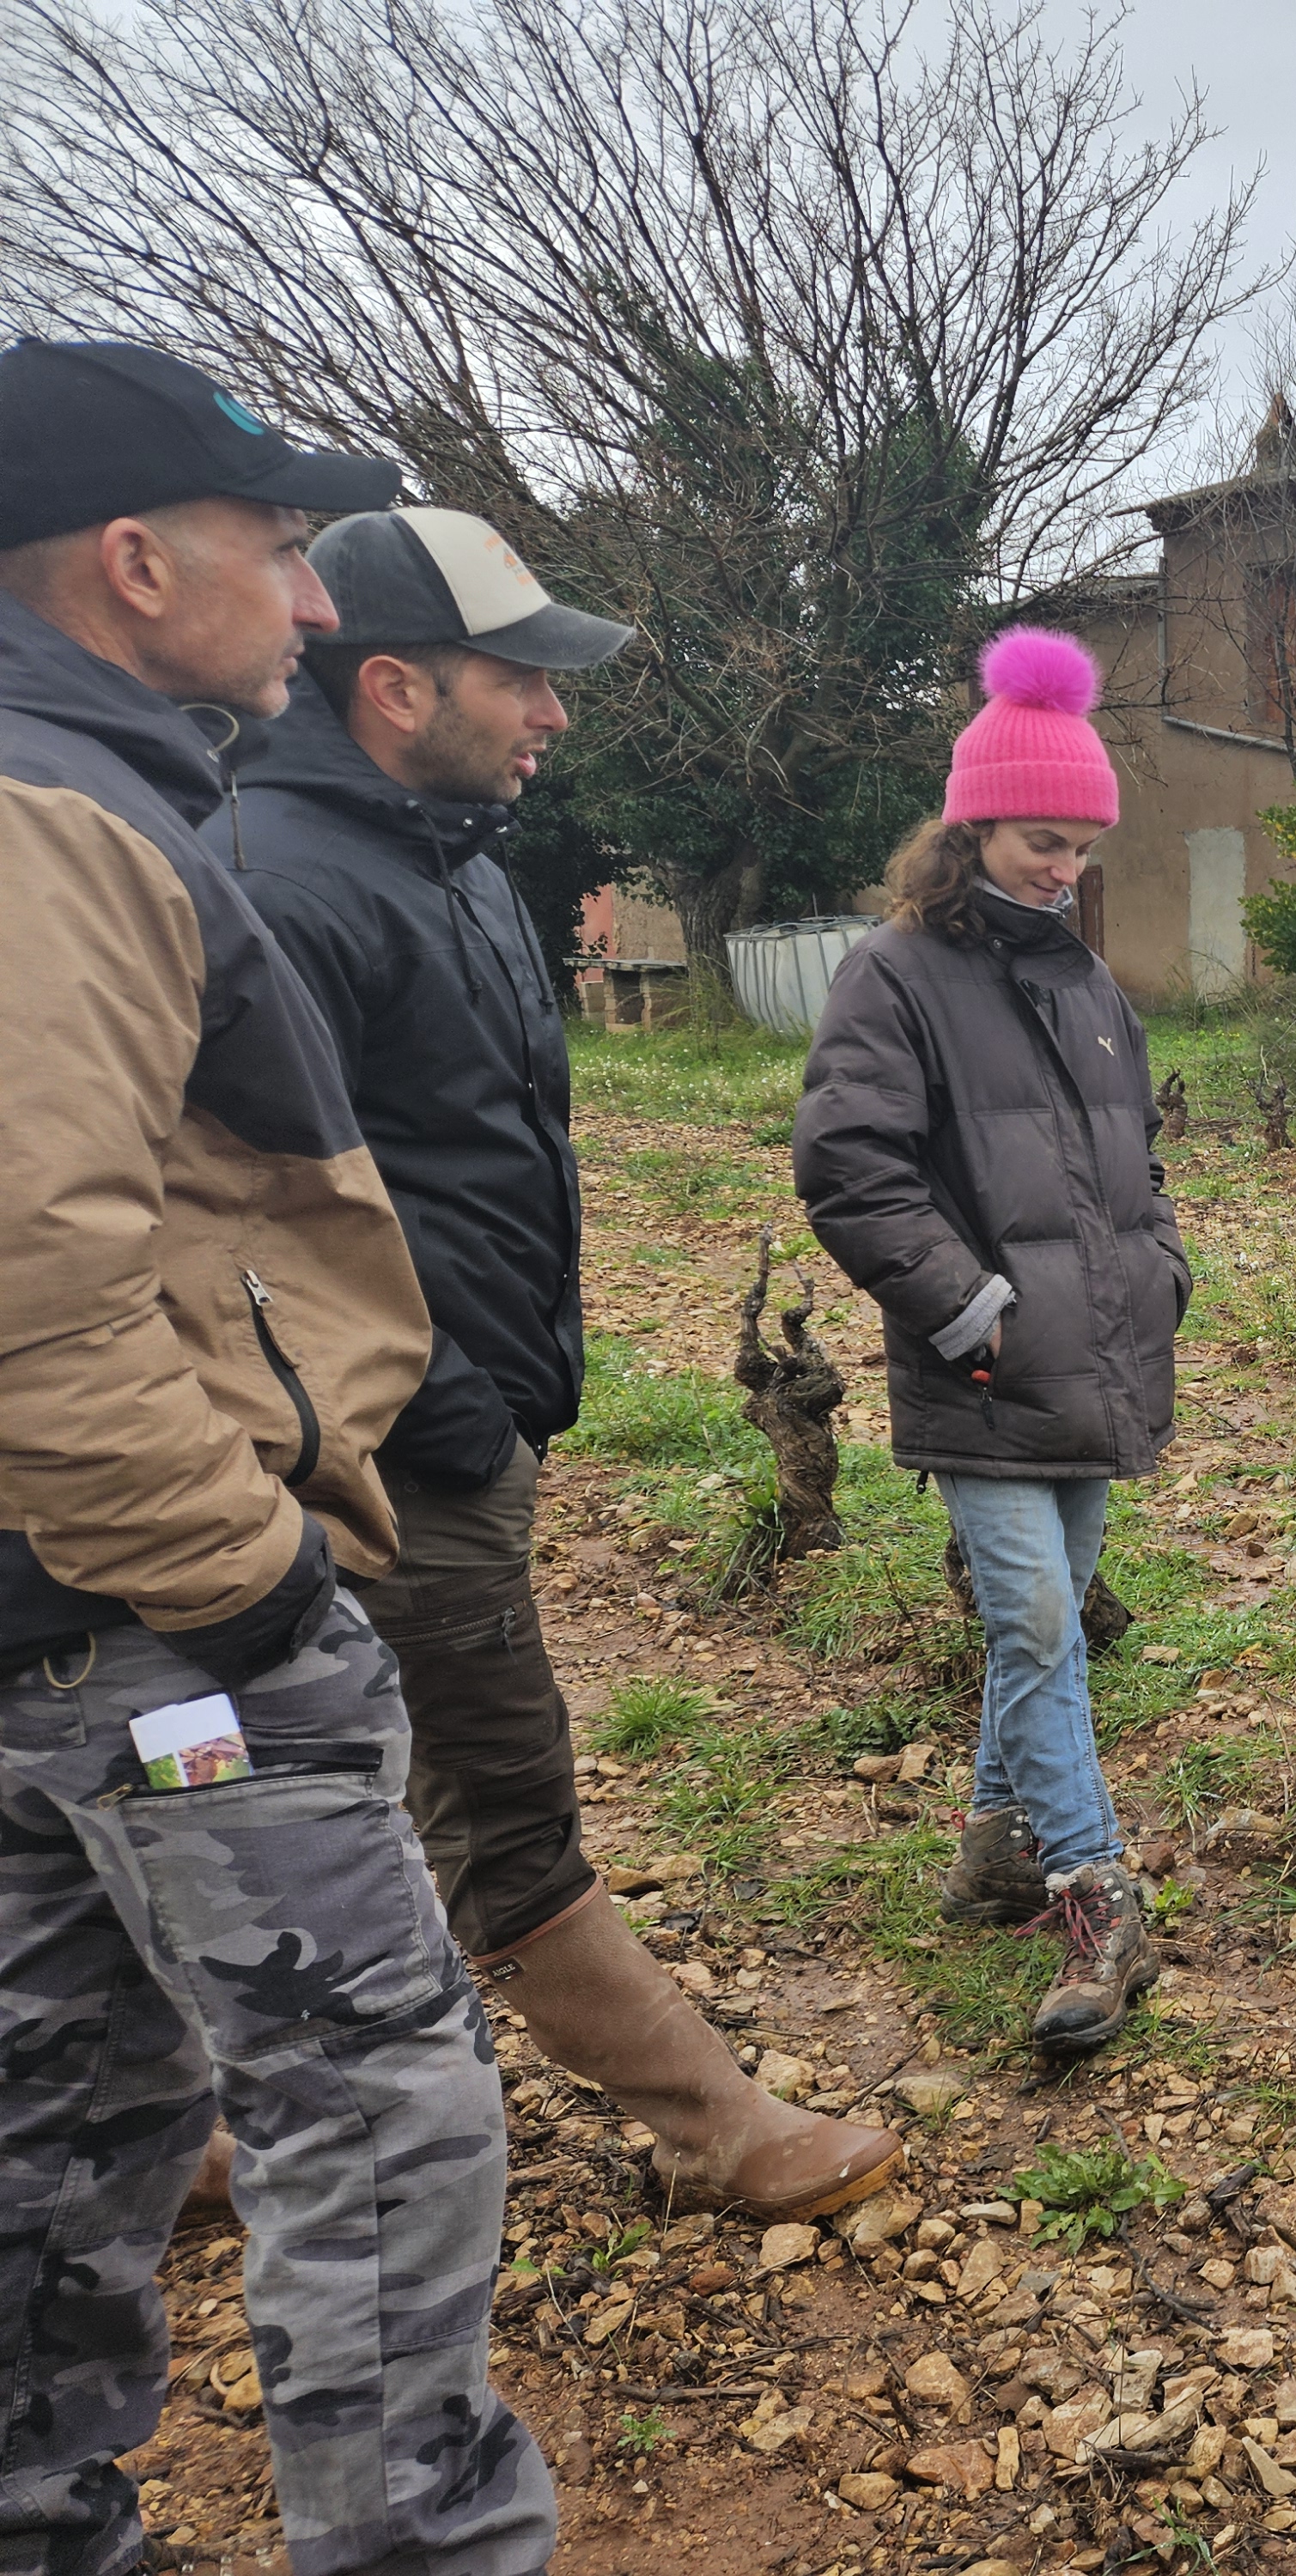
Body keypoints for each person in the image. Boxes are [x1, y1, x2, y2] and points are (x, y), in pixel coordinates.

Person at [0, 338, 554, 2576]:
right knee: (378, 2118)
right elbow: (37, 1282)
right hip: (160, 1629)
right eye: (274, 550)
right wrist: (254, 1592)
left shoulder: (93, 791)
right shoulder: (61, 822)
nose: (312, 609)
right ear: (135, 566)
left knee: (61, 2117)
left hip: (49, 1626)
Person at [217, 505, 902, 2219]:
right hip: (388, 1450)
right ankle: (718, 2123)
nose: (555, 715)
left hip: (469, 1425)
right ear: (392, 685)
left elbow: (474, 1153)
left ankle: (175, 2131)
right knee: (503, 1799)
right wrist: (441, 1415)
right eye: (520, 678)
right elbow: (261, 1221)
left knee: (341, 1784)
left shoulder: (455, 866)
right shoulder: (275, 889)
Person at [796, 629, 1189, 2051]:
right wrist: (968, 1306)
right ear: (970, 829)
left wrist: (1164, 1273)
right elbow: (849, 1164)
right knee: (1032, 1622)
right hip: (983, 1365)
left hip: (1096, 1357)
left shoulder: (1093, 994)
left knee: (1045, 1632)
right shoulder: (893, 976)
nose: (1060, 866)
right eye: (1038, 838)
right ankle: (1095, 1892)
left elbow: (1134, 1166)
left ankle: (990, 1851)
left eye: (1081, 845)